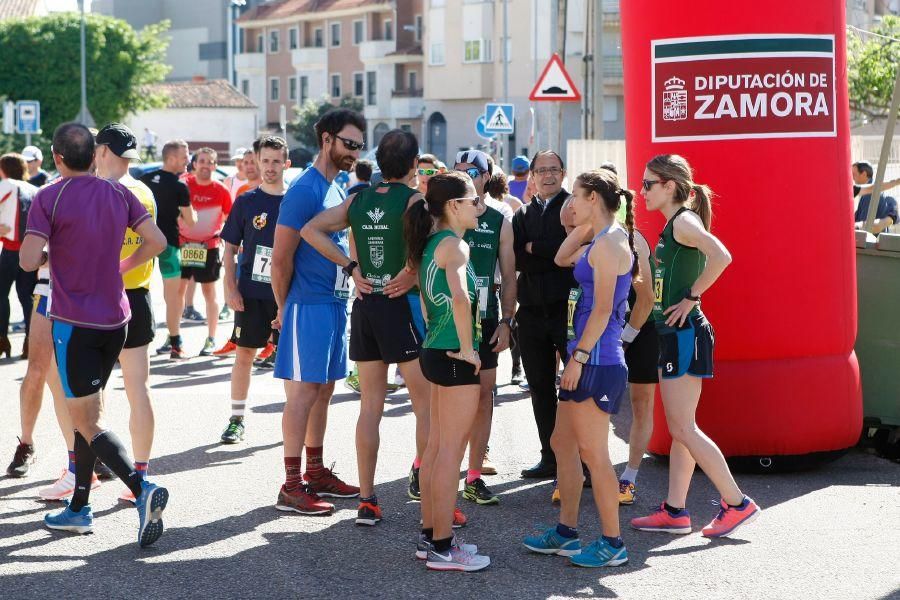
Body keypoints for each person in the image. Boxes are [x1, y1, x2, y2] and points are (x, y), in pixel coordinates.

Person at [20, 122, 169, 546]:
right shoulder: (120, 192)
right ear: (94, 154)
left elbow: (29, 261)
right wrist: (120, 267)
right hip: (117, 319)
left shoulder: (49, 195)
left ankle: (143, 491)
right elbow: (157, 241)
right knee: (91, 414)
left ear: (57, 158)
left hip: (76, 322)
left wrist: (52, 251)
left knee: (85, 418)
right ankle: (79, 509)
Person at [301, 129, 434, 527]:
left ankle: (367, 499)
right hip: (397, 308)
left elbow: (310, 230)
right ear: (413, 165)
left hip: (366, 306)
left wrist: (350, 266)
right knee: (425, 406)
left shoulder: (358, 199)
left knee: (370, 407)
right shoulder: (414, 201)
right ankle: (432, 497)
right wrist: (410, 275)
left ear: (379, 162)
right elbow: (426, 253)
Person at [630, 153, 760, 538]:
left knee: (683, 428)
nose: (643, 191)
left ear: (670, 186)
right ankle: (675, 511)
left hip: (685, 333)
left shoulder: (684, 220)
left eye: (649, 184)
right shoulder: (674, 223)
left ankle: (736, 503)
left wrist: (691, 297)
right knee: (682, 428)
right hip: (675, 334)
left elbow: (722, 255)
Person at [523, 169, 635, 567]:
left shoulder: (611, 243)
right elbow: (560, 257)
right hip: (584, 355)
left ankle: (613, 542)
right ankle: (567, 532)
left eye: (576, 196)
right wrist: (587, 224)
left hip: (597, 360)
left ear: (593, 198)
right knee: (562, 444)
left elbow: (604, 310)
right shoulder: (600, 237)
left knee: (595, 455)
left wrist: (579, 358)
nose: (568, 203)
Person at [270, 108, 365, 515]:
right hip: (306, 306)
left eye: (359, 146)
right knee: (304, 393)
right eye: (348, 143)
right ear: (326, 139)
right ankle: (291, 486)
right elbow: (279, 259)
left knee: (324, 390)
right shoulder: (305, 190)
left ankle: (315, 472)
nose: (354, 152)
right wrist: (283, 308)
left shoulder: (336, 186)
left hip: (333, 303)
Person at [404, 171, 491, 571]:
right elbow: (458, 298)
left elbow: (426, 304)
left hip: (435, 352)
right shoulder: (454, 246)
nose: (481, 206)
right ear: (454, 206)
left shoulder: (433, 244)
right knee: (448, 454)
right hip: (453, 357)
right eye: (474, 199)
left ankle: (430, 538)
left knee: (437, 450)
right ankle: (441, 547)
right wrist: (469, 350)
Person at [94, 123, 159, 503]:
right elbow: (154, 243)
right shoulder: (144, 191)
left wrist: (114, 268)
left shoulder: (103, 192)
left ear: (102, 151)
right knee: (138, 388)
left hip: (103, 300)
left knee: (88, 393)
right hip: (138, 297)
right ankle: (141, 473)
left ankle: (80, 474)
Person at [218, 136, 290, 443]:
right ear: (256, 162)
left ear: (286, 164)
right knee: (245, 354)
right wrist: (230, 288)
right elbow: (230, 249)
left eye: (276, 161)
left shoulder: (295, 201)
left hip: (287, 295)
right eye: (265, 161)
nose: (270, 167)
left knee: (288, 360)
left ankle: (293, 419)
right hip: (251, 292)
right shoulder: (246, 201)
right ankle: (236, 419)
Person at [455, 158, 517, 505]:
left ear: (487, 178)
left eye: (473, 173)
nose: (467, 178)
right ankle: (427, 468)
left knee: (483, 397)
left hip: (486, 318)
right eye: (460, 171)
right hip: (447, 320)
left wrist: (507, 320)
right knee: (442, 400)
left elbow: (509, 276)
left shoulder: (498, 220)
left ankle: (474, 475)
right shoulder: (440, 215)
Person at [512, 150, 575, 479]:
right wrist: (551, 250)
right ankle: (549, 455)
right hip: (532, 312)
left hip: (568, 311)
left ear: (563, 173)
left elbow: (574, 252)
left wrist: (537, 248)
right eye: (541, 170)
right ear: (532, 176)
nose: (547, 175)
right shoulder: (522, 214)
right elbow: (517, 258)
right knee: (539, 386)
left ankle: (582, 459)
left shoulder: (574, 208)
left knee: (578, 388)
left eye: (554, 169)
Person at [141, 140, 196, 359]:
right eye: (185, 157)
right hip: (168, 246)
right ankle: (176, 344)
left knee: (134, 291)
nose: (187, 161)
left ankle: (125, 343)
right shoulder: (180, 186)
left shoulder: (143, 180)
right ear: (172, 158)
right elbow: (191, 221)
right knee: (173, 297)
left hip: (141, 244)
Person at [179, 147, 232, 356]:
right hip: (183, 245)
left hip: (208, 247)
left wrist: (227, 243)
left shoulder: (221, 190)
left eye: (210, 162)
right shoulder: (184, 187)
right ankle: (174, 338)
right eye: (202, 161)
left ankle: (211, 338)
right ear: (195, 164)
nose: (206, 165)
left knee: (209, 294)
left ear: (215, 166)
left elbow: (231, 220)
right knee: (177, 293)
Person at [0, 153, 39, 360]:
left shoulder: (5, 185)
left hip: (9, 251)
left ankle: (2, 339)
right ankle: (29, 343)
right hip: (31, 252)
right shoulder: (34, 189)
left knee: (0, 296)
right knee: (27, 298)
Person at [852, 161, 899, 235]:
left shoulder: (869, 194)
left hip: (870, 241)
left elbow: (865, 226)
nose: (852, 178)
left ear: (864, 174)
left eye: (854, 174)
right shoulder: (875, 191)